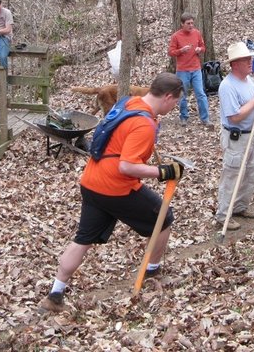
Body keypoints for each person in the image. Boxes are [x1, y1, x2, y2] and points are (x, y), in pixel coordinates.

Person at [39, 72, 185, 312]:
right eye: (176, 102)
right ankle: (152, 271)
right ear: (168, 97)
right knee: (164, 218)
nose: (174, 107)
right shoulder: (143, 123)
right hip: (115, 186)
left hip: (91, 181)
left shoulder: (129, 102)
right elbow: (126, 166)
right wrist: (162, 172)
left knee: (82, 239)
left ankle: (54, 295)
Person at [215, 41, 254, 231]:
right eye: (246, 59)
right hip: (236, 137)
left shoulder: (249, 80)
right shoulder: (227, 86)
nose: (250, 61)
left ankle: (239, 206)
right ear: (235, 64)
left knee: (251, 172)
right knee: (232, 175)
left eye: (250, 58)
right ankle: (223, 215)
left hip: (252, 136)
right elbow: (235, 116)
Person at [168, 12, 211, 127]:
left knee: (201, 94)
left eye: (192, 23)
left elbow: (203, 47)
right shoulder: (176, 36)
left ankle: (205, 119)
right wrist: (181, 51)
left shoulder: (197, 33)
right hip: (182, 70)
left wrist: (199, 49)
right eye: (188, 23)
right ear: (182, 24)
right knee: (182, 95)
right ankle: (184, 117)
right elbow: (170, 52)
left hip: (196, 69)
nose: (191, 25)